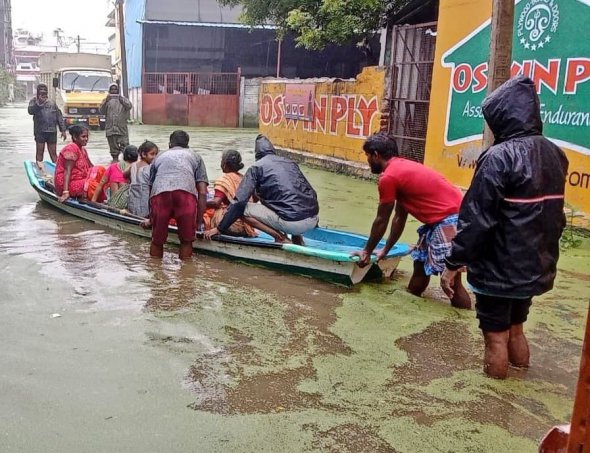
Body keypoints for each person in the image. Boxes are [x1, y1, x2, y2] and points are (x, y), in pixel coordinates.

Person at [440, 76, 569, 379]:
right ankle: (519, 383)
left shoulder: (498, 158)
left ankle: (493, 404)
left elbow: (477, 220)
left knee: (495, 336)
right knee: (516, 328)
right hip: (534, 265)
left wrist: (453, 263)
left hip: (498, 269)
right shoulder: (554, 154)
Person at [351, 132, 471, 309]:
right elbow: (399, 218)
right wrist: (385, 249)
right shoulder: (400, 170)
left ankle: (463, 320)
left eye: (368, 155)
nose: (367, 160)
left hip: (449, 219)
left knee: (452, 282)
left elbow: (381, 220)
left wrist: (366, 252)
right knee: (420, 265)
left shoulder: (388, 177)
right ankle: (411, 300)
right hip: (440, 220)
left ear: (376, 155)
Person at [213, 135, 319, 244]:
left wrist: (219, 229)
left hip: (292, 223)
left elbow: (239, 203)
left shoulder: (256, 167)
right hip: (312, 220)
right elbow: (311, 193)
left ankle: (280, 238)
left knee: (241, 209)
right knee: (289, 200)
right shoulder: (290, 163)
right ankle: (297, 239)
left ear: (257, 154)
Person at [143, 130, 208, 259]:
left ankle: (156, 274)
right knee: (186, 240)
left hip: (160, 195)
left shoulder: (159, 157)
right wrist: (199, 222)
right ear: (187, 146)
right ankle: (186, 276)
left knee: (157, 240)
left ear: (169, 144)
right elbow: (202, 191)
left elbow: (150, 188)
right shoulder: (196, 156)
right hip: (185, 196)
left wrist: (151, 218)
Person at [203, 150, 257, 238]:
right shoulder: (243, 178)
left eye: (221, 161)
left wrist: (197, 203)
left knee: (209, 213)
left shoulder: (224, 179)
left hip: (231, 225)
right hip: (248, 224)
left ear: (225, 164)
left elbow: (216, 203)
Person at [54, 125, 106, 203]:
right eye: (83, 137)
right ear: (75, 137)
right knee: (93, 186)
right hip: (68, 184)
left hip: (80, 179)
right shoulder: (71, 148)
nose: (86, 139)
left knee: (101, 170)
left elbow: (91, 167)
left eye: (87, 137)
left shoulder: (83, 149)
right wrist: (65, 192)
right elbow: (67, 171)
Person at [28, 83, 67, 166]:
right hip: (40, 131)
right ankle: (39, 168)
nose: (43, 92)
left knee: (53, 153)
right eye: (41, 90)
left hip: (52, 132)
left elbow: (59, 117)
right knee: (39, 152)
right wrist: (39, 103)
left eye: (44, 90)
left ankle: (57, 170)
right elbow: (30, 111)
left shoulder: (52, 103)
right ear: (38, 92)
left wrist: (63, 130)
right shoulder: (34, 102)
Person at [99, 83, 132, 162]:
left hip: (122, 129)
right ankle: (114, 163)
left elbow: (129, 106)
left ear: (118, 90)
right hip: (111, 129)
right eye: (112, 89)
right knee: (114, 150)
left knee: (125, 146)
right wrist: (106, 101)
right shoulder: (106, 100)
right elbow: (101, 111)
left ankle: (125, 163)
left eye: (115, 89)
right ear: (109, 91)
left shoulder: (123, 99)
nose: (114, 91)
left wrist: (121, 99)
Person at [125, 141, 159, 218]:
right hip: (145, 201)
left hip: (132, 202)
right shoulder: (150, 168)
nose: (155, 157)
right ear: (143, 154)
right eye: (152, 154)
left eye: (156, 154)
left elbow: (124, 174)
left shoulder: (133, 165)